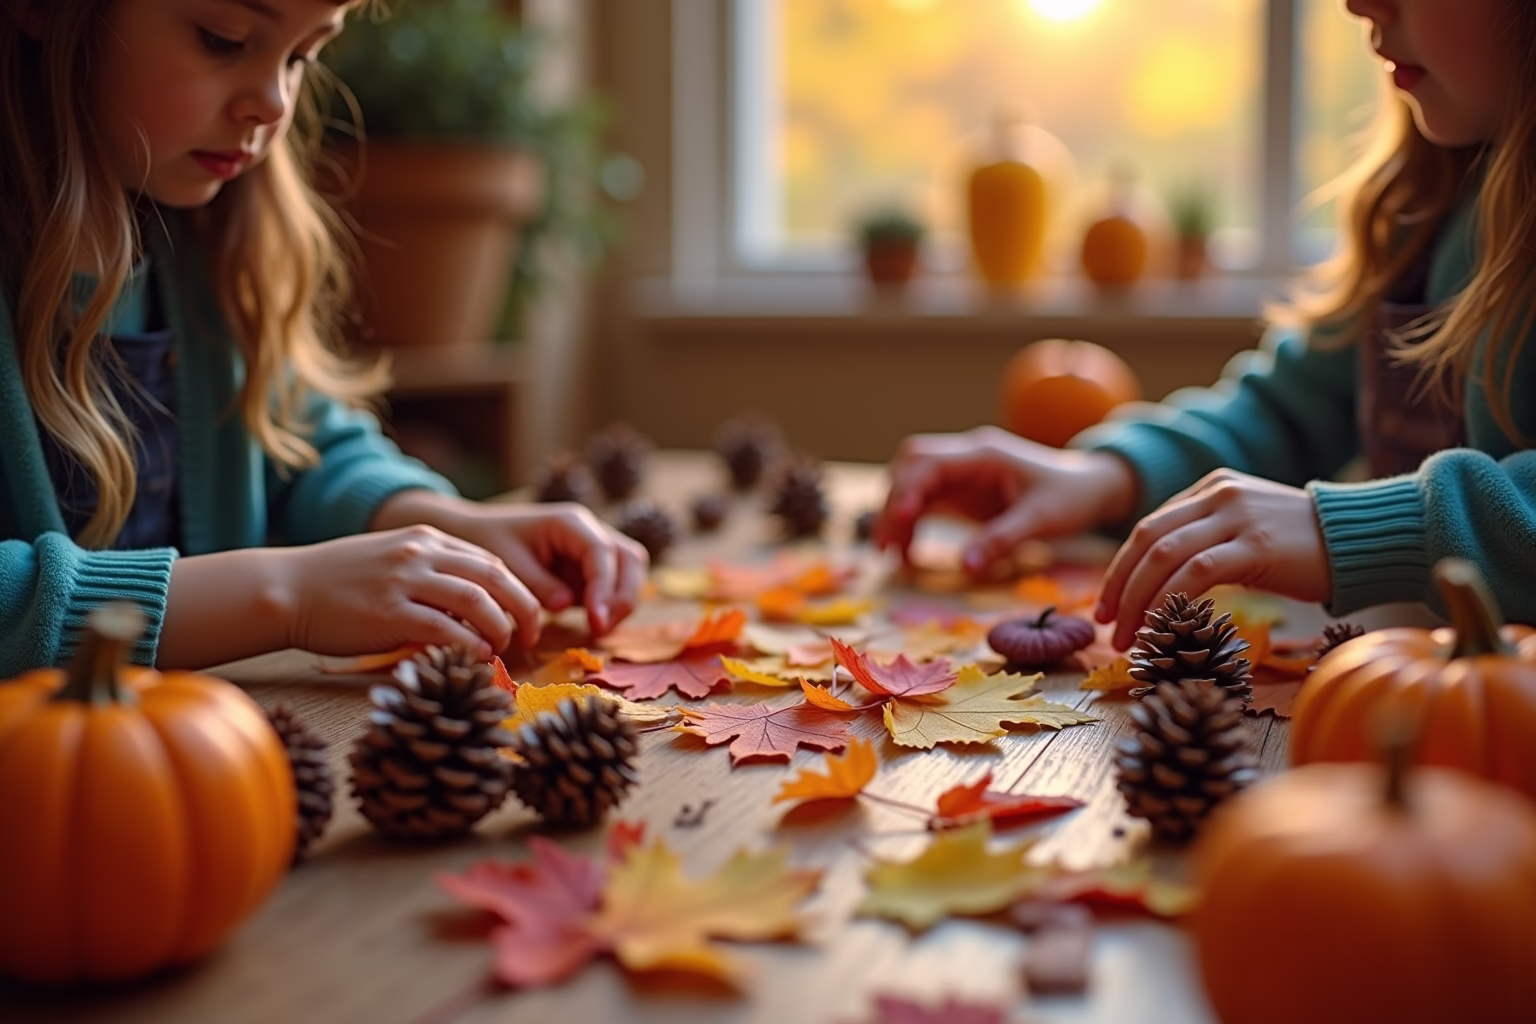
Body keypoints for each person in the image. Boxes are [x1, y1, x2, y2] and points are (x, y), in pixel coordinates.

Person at [0, 0, 648, 677]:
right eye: (222, 40)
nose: (274, 103)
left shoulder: (205, 242)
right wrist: (284, 594)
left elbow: (297, 444)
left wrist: (441, 522)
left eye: (301, 56)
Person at [877, 0, 1536, 650]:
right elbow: (1288, 414)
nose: (1357, 3)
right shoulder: (1433, 199)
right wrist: (1105, 478)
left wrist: (1355, 530)